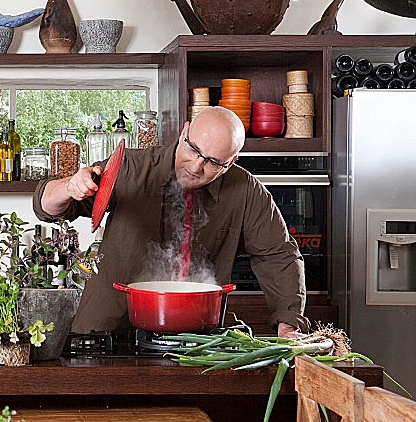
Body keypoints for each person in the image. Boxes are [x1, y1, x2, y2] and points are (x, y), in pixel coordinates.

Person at [33, 107, 309, 338]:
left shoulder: (246, 190)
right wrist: (69, 187)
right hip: (109, 329)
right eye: (194, 149)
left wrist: (289, 324)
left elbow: (278, 255)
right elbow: (46, 208)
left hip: (197, 336)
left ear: (231, 162)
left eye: (213, 162)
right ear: (184, 131)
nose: (197, 166)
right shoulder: (131, 167)